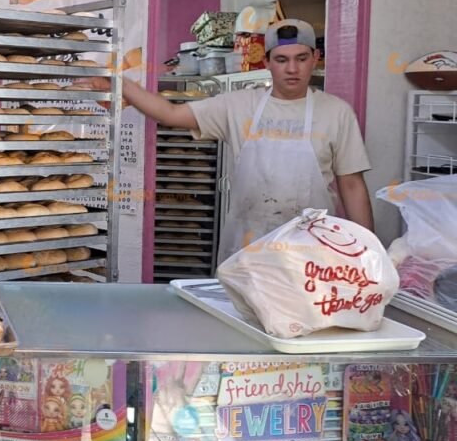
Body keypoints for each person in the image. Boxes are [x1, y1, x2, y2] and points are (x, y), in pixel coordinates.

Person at [95, 19, 373, 264]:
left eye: (301, 58)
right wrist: (120, 84)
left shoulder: (336, 112)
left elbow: (352, 185)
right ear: (267, 62)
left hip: (310, 250)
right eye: (281, 59)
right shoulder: (239, 105)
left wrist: (369, 253)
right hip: (248, 246)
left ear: (316, 58)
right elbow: (171, 113)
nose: (292, 69)